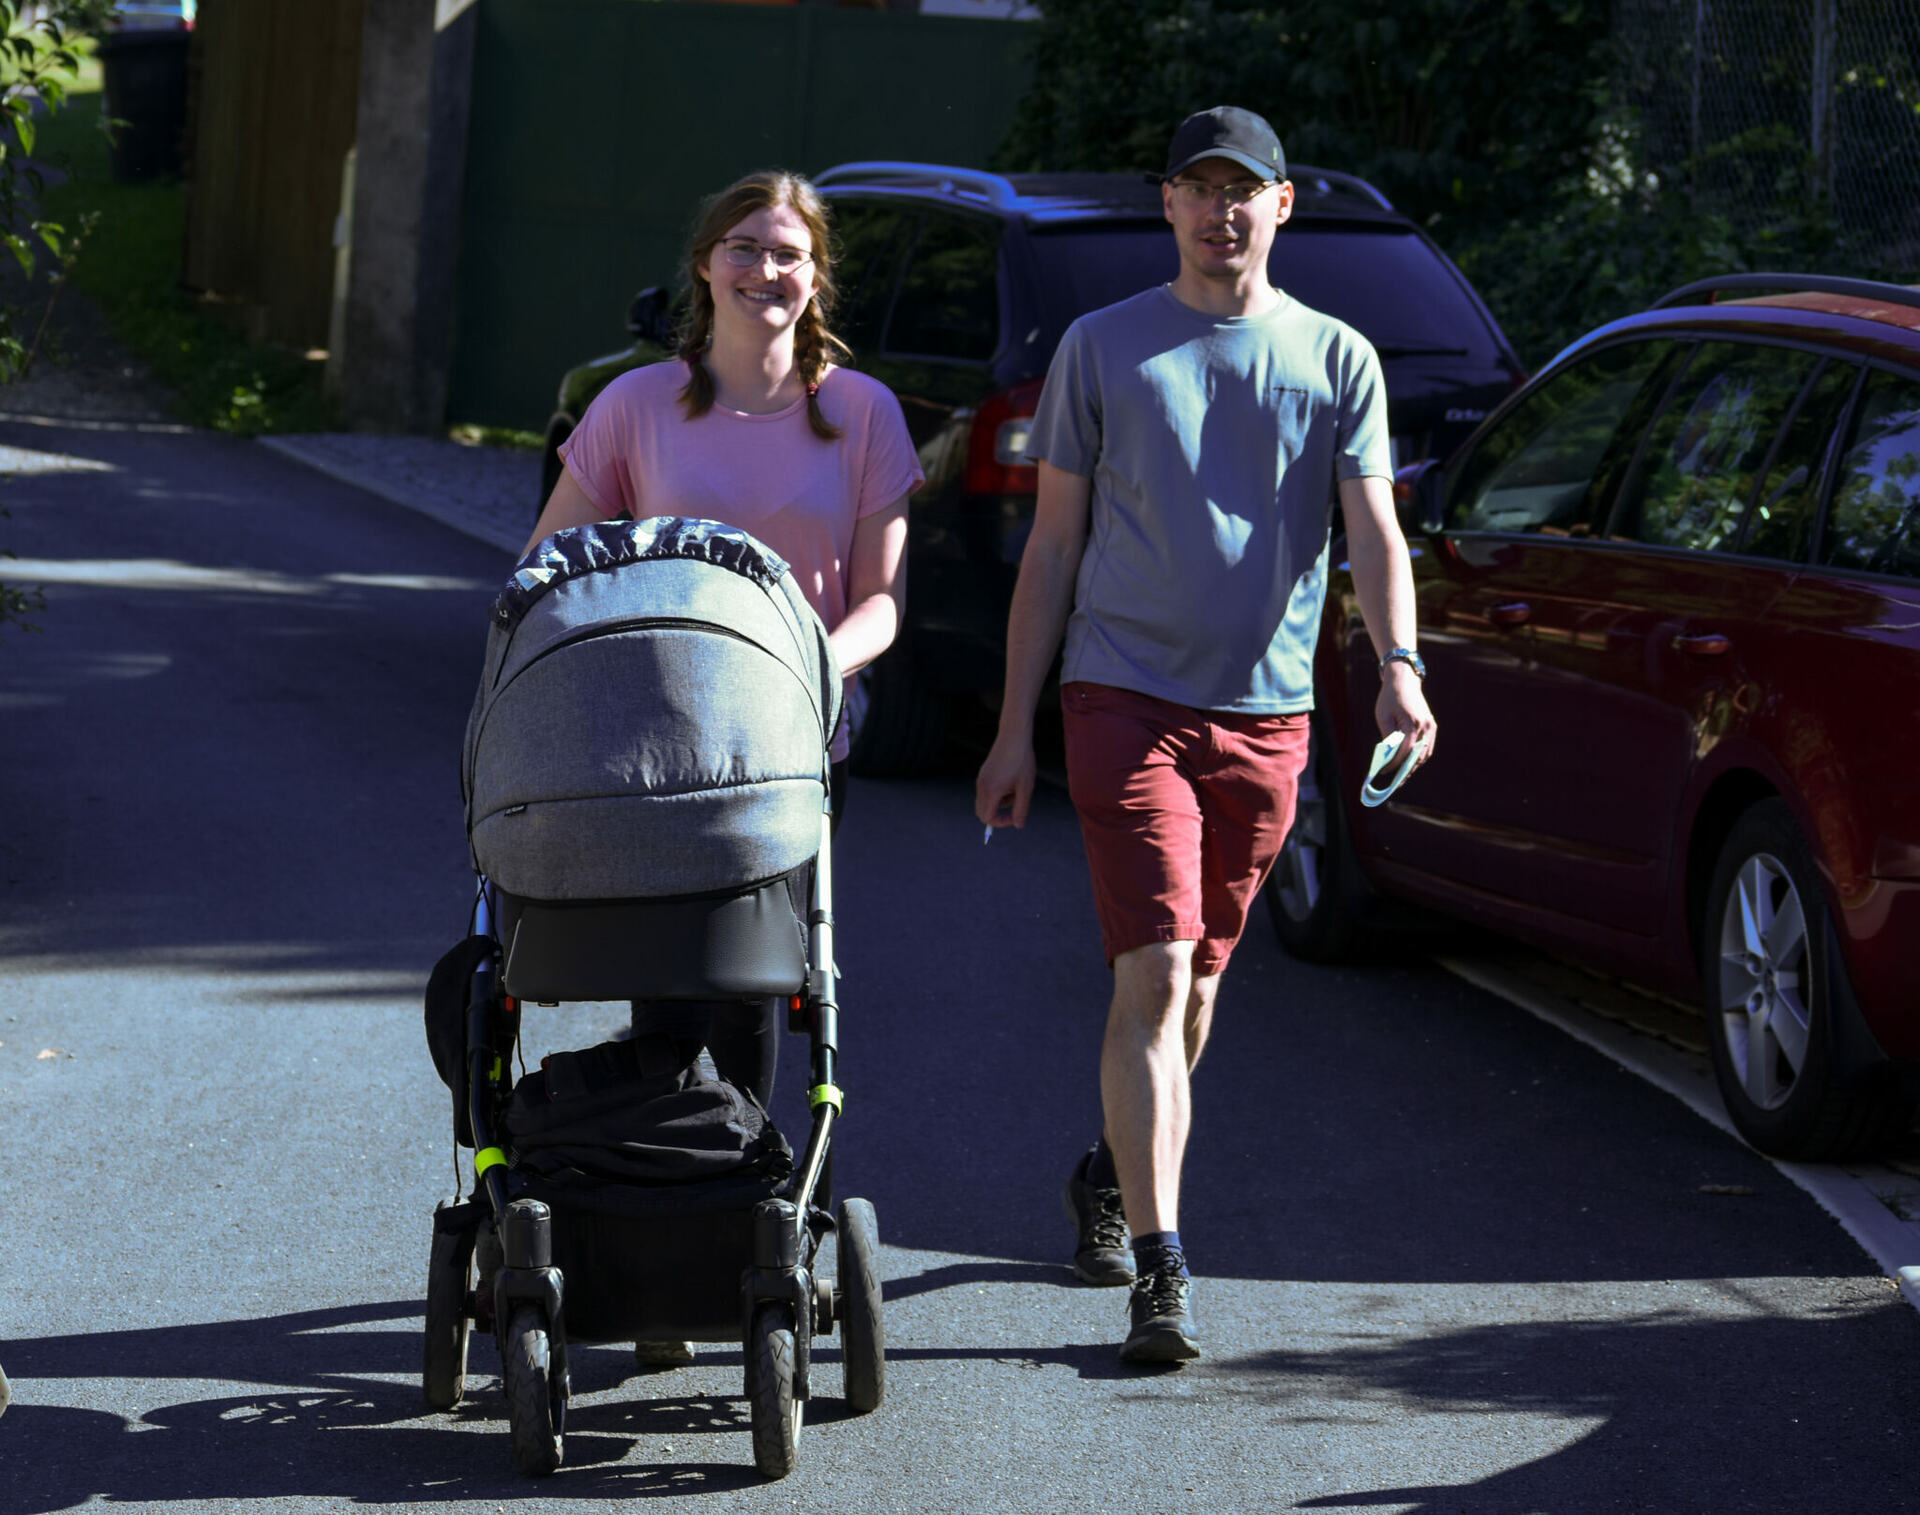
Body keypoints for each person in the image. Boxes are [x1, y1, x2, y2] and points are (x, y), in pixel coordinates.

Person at [973, 106, 1437, 1364]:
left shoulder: (1338, 357)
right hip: (1122, 697)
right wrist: (1013, 728)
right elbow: (1051, 547)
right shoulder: (1101, 347)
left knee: (1202, 985)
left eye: (1245, 190)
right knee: (1158, 971)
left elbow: (1376, 532)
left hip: (1269, 715)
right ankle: (1164, 1270)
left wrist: (1399, 669)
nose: (1221, 210)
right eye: (1198, 188)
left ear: (1281, 205)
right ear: (1168, 203)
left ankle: (1110, 1170)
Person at [526, 167, 923, 1120]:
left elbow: (882, 602)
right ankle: (669, 1169)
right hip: (657, 740)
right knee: (666, 971)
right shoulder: (636, 405)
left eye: (788, 254)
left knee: (751, 975)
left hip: (794, 739)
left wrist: (810, 667)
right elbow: (547, 567)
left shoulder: (865, 412)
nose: (765, 270)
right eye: (744, 248)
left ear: (816, 276)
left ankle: (752, 1172)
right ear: (705, 265)